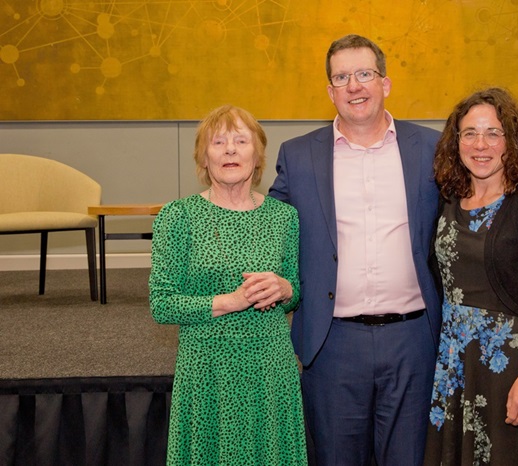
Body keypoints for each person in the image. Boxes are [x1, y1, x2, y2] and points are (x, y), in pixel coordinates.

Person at [268, 34, 442, 465]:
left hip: (413, 340)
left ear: (386, 83)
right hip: (332, 343)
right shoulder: (298, 155)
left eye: (364, 74)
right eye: (341, 77)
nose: (354, 86)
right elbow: (265, 227)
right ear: (330, 92)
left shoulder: (433, 149)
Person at [149, 105, 307, 465]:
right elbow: (162, 304)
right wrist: (231, 301)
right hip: (207, 371)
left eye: (241, 141)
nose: (230, 150)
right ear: (204, 158)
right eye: (218, 142)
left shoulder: (285, 217)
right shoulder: (177, 216)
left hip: (270, 369)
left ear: (258, 155)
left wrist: (284, 289)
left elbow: (294, 293)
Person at [423, 87, 518, 465]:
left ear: (511, 141)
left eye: (493, 133)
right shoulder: (448, 198)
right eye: (470, 133)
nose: (480, 144)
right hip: (454, 364)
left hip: (507, 366)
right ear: (457, 143)